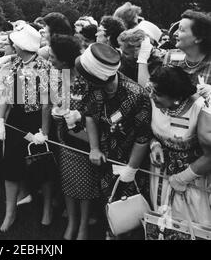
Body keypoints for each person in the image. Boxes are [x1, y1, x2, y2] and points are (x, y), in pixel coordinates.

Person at [70, 43, 152, 238]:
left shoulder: (137, 96)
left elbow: (143, 138)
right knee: (108, 200)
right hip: (106, 155)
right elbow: (89, 115)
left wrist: (130, 170)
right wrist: (94, 148)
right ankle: (111, 231)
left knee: (130, 206)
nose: (80, 78)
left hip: (131, 159)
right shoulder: (91, 86)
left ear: (100, 78)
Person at [0, 23, 53, 232]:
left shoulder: (45, 67)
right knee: (10, 164)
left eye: (14, 43)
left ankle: (47, 209)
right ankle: (10, 213)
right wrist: (0, 120)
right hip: (16, 118)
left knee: (41, 167)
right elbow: (7, 95)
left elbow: (47, 103)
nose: (11, 45)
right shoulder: (16, 63)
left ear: (21, 45)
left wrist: (44, 132)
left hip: (36, 120)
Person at [48, 34, 100, 240]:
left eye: (52, 56)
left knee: (86, 183)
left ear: (64, 59)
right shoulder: (59, 76)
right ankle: (72, 221)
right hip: (63, 139)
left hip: (84, 140)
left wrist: (78, 116)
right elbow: (56, 100)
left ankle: (83, 226)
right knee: (67, 180)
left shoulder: (85, 79)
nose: (49, 59)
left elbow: (94, 110)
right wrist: (56, 110)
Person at [148, 66, 211, 226]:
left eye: (158, 94)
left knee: (192, 225)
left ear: (176, 97)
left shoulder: (200, 108)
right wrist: (154, 145)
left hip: (192, 179)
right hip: (161, 175)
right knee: (162, 221)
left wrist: (183, 178)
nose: (151, 96)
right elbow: (148, 131)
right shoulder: (154, 101)